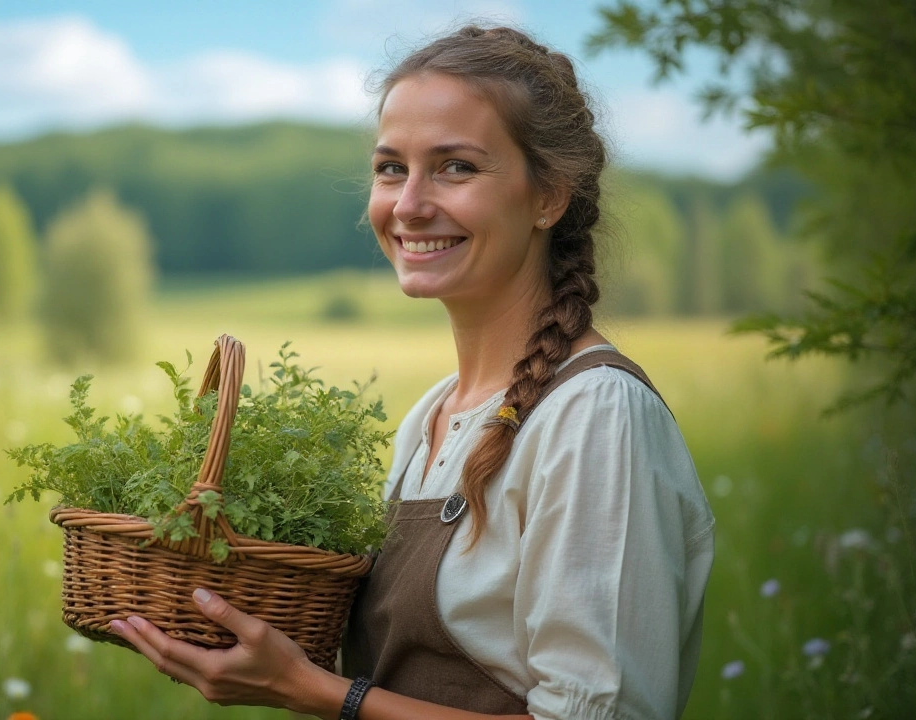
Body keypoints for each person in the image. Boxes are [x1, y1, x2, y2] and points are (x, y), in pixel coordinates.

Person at [108, 25, 715, 720]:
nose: (409, 204)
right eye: (392, 167)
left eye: (455, 166)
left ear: (549, 197)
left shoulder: (596, 415)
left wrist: (312, 691)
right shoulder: (432, 416)